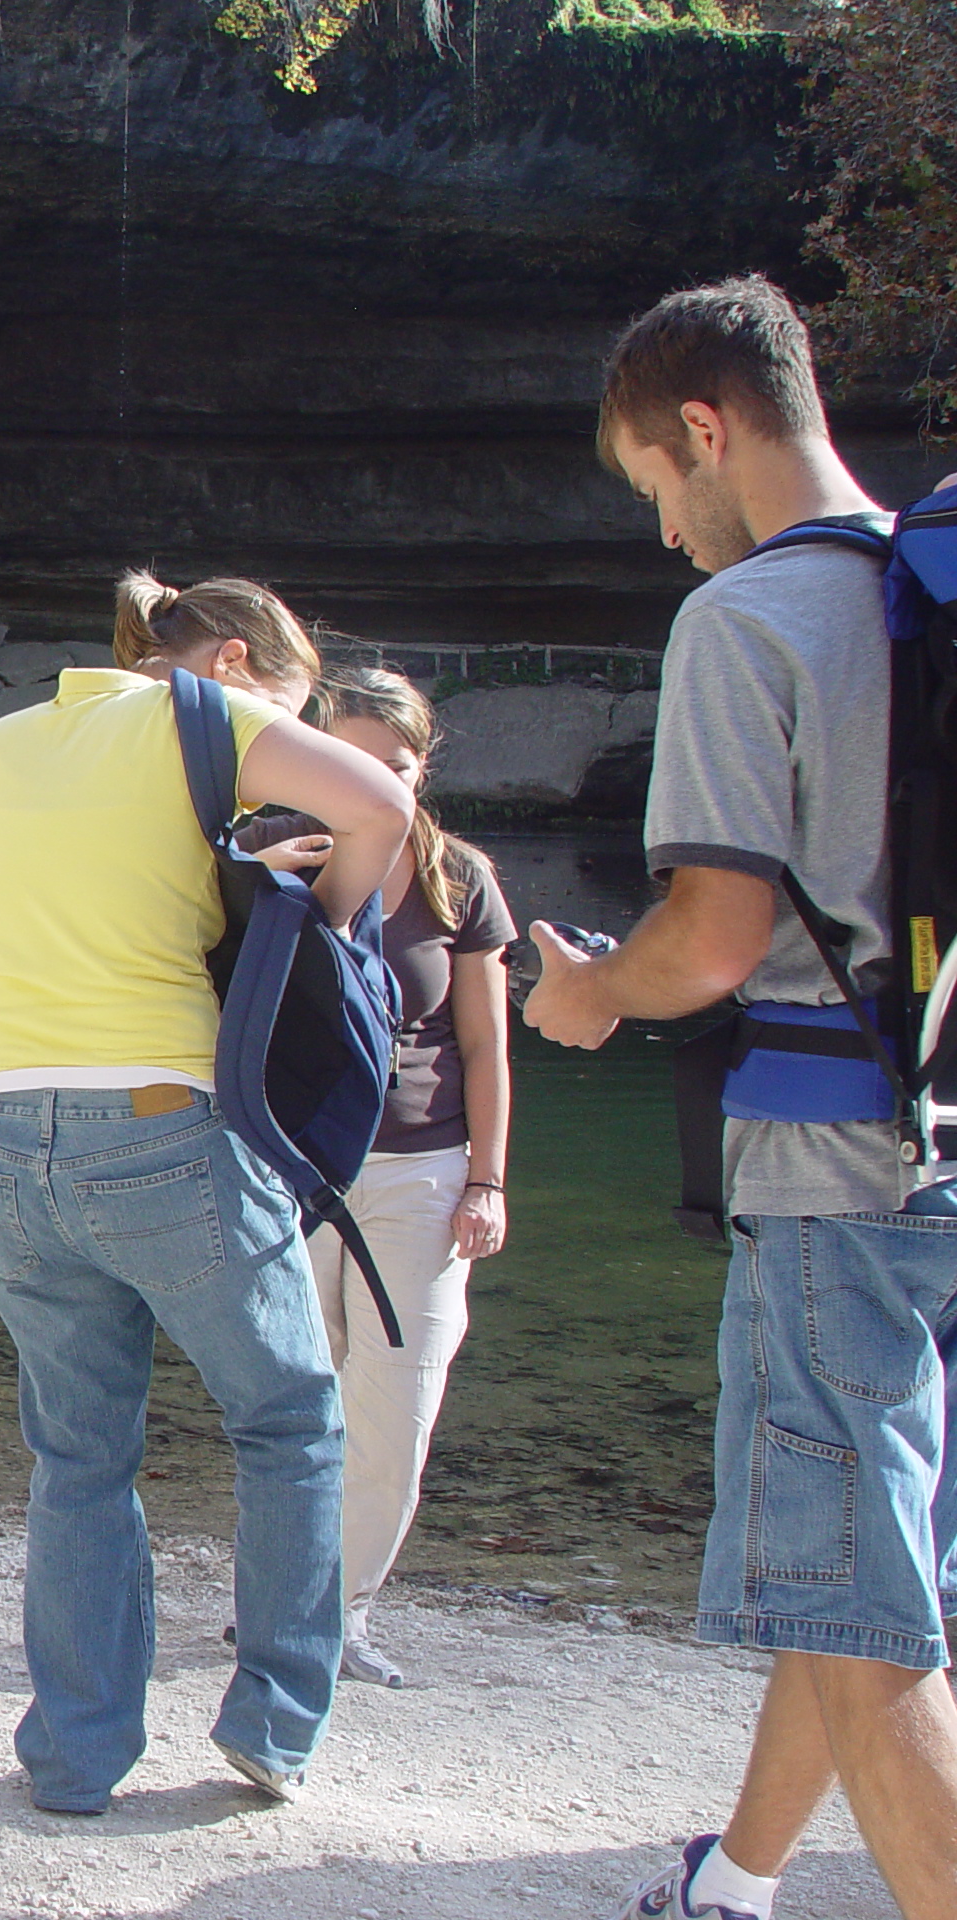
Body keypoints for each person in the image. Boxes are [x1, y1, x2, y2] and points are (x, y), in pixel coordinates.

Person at [523, 275, 957, 1920]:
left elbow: (710, 942)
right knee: (870, 1575)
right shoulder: (932, 590)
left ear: (705, 429)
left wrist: (587, 993)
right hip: (955, 1142)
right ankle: (737, 1885)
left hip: (835, 1178)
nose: (661, 533)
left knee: (853, 1606)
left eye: (653, 483)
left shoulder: (750, 620)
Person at [0, 570, 414, 1811]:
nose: (291, 740)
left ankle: (73, 1755)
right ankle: (272, 1720)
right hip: (159, 1125)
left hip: (2, 1130)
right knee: (289, 1423)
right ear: (228, 667)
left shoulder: (0, 744)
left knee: (78, 1454)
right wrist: (323, 906)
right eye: (293, 710)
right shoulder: (199, 721)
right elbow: (380, 808)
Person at [240, 665, 516, 1691]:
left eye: (395, 768)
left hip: (423, 1178)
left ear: (422, 768)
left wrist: (486, 1183)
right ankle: (277, 1604)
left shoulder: (459, 877)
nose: (378, 786)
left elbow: (486, 1047)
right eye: (352, 762)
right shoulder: (278, 857)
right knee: (293, 1401)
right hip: (296, 1171)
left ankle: (339, 1614)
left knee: (394, 1406)